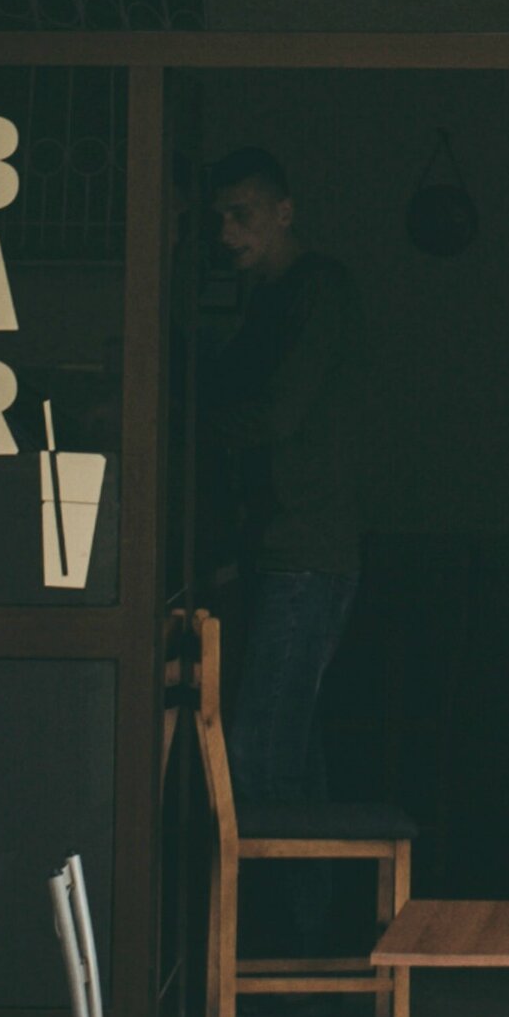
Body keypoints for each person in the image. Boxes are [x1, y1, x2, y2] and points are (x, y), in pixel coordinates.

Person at [208, 147, 366, 952]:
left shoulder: (317, 292)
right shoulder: (268, 299)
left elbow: (274, 414)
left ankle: (269, 948)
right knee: (290, 750)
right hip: (281, 550)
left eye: (242, 213)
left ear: (283, 211)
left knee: (262, 754)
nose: (227, 232)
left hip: (304, 552)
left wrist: (176, 423)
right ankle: (308, 940)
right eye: (218, 218)